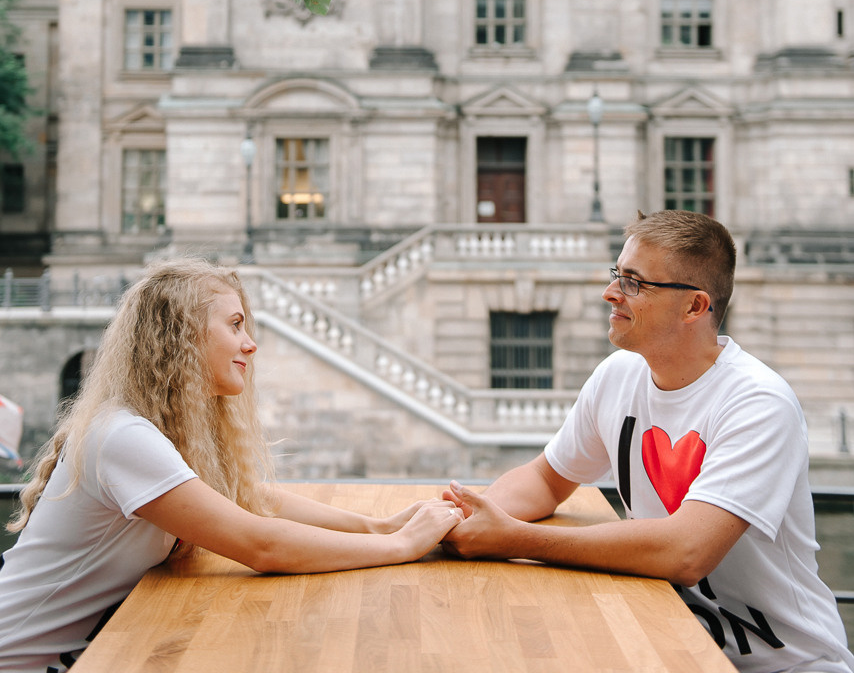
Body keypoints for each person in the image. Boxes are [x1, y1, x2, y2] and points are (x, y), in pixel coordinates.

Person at [0, 260, 462, 673]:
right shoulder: (123, 436)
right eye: (236, 325)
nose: (250, 344)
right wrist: (401, 545)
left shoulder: (148, 429)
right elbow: (260, 544)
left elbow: (252, 498)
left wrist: (377, 526)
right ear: (181, 335)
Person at [442, 210, 854, 673]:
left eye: (634, 283)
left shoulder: (759, 403)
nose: (610, 292)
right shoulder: (617, 376)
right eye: (617, 273)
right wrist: (461, 519)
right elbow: (545, 478)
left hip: (790, 665)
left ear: (694, 307)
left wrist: (514, 539)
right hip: (672, 645)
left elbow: (686, 552)